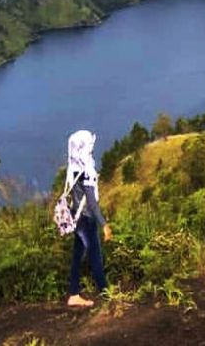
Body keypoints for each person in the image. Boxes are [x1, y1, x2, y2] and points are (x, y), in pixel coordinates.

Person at [65, 129, 113, 307]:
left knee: (77, 256)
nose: (91, 150)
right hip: (86, 219)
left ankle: (73, 294)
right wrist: (104, 225)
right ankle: (107, 296)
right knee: (95, 257)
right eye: (89, 147)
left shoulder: (73, 167)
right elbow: (92, 202)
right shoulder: (87, 171)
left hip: (76, 216)